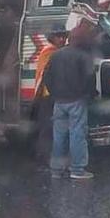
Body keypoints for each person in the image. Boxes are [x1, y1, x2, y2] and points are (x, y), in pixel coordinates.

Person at [43, 21, 98, 180]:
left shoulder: (56, 55)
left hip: (59, 102)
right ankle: (77, 169)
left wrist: (54, 94)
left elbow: (47, 77)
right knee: (77, 134)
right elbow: (90, 79)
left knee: (59, 135)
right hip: (77, 101)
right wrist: (90, 95)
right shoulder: (84, 56)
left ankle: (57, 170)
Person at [31, 30, 68, 163]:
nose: (62, 39)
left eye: (64, 36)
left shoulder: (53, 51)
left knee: (49, 128)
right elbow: (46, 75)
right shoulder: (50, 52)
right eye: (59, 37)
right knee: (47, 129)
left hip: (50, 95)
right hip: (47, 96)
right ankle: (44, 157)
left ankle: (46, 156)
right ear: (52, 38)